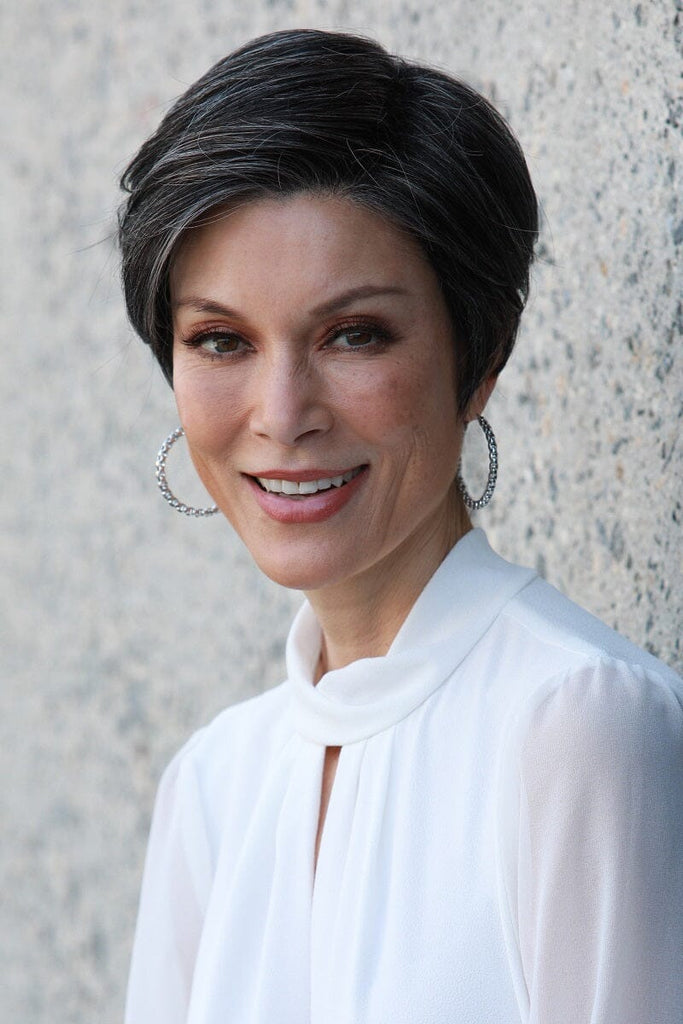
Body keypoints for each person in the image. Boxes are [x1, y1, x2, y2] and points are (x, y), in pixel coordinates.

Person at [119, 28, 683, 1024]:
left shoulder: (580, 727)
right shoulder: (214, 781)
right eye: (220, 340)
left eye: (352, 334)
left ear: (480, 351)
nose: (281, 411)